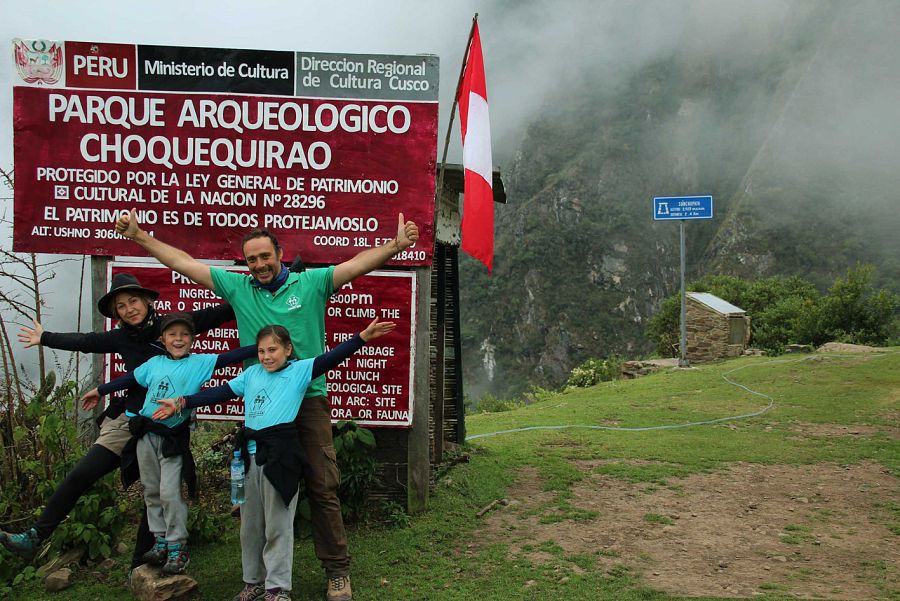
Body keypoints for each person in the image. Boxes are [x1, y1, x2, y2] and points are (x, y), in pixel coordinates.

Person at [115, 209, 418, 600]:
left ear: (279, 254)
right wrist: (140, 236)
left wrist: (395, 246)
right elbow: (185, 263)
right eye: (252, 259)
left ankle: (337, 571)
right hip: (261, 408)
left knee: (322, 485)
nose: (259, 264)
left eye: (265, 256)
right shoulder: (239, 289)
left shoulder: (310, 284)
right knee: (256, 496)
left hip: (307, 402)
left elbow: (355, 265)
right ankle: (258, 581)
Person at [0, 273, 235, 571]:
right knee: (81, 475)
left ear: (147, 301)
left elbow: (225, 310)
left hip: (168, 423)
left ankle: (146, 563)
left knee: (159, 492)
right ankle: (35, 536)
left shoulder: (176, 326)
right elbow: (85, 342)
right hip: (129, 420)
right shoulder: (120, 337)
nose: (129, 309)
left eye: (133, 300)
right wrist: (44, 338)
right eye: (121, 306)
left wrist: (274, 282)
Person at [153, 318, 394, 601]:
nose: (267, 357)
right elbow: (220, 392)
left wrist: (362, 337)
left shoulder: (300, 371)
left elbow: (332, 357)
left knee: (278, 526)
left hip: (281, 457)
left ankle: (278, 588)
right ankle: (253, 582)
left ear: (288, 349)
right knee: (250, 526)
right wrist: (183, 401)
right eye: (262, 351)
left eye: (273, 350)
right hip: (251, 457)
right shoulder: (252, 374)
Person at [87, 312, 256, 575]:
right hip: (145, 435)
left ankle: (178, 546)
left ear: (192, 339)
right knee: (152, 492)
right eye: (172, 335)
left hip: (172, 439)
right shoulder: (153, 363)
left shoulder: (201, 363)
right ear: (163, 338)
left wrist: (264, 345)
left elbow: (231, 357)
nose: (179, 339)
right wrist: (101, 390)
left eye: (185, 335)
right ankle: (161, 541)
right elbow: (130, 379)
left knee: (169, 492)